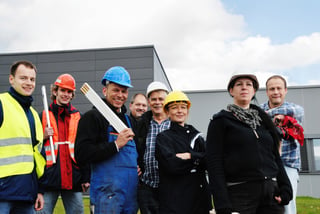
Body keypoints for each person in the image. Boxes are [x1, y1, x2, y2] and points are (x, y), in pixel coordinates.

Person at [206, 73, 292, 214]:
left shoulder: (264, 122)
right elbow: (214, 163)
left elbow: (275, 156)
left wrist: (285, 188)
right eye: (239, 84)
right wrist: (222, 203)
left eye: (249, 85)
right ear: (231, 91)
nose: (244, 87)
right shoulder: (220, 121)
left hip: (271, 194)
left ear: (254, 91)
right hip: (240, 194)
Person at [75, 66, 138, 214]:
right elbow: (82, 154)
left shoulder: (129, 122)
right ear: (105, 91)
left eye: (124, 91)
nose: (120, 95)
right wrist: (115, 145)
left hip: (130, 196)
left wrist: (138, 166)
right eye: (116, 90)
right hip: (106, 197)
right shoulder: (93, 117)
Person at [38, 74, 90, 214]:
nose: (66, 94)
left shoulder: (78, 117)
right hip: (48, 178)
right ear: (55, 91)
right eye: (62, 90)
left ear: (72, 94)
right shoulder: (42, 116)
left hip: (73, 177)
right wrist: (42, 137)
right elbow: (33, 147)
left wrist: (86, 177)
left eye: (69, 91)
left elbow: (83, 148)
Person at [155, 91, 212, 214]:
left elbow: (210, 160)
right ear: (167, 112)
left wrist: (190, 156)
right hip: (175, 203)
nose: (179, 111)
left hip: (200, 201)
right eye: (174, 108)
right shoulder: (163, 138)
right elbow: (172, 166)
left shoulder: (196, 135)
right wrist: (198, 159)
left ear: (187, 111)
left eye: (183, 107)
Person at [0, 60, 46, 213]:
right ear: (11, 79)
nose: (29, 83)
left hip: (27, 194)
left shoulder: (33, 115)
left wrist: (39, 190)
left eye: (32, 79)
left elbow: (38, 156)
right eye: (23, 78)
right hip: (3, 194)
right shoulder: (1, 103)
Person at [260, 75, 304, 214]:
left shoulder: (295, 110)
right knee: (265, 202)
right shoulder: (258, 110)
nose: (275, 92)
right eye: (272, 89)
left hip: (288, 164)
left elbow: (295, 112)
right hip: (266, 164)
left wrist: (265, 116)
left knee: (287, 205)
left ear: (285, 90)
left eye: (279, 88)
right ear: (267, 92)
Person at [134, 81, 170, 214]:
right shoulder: (142, 124)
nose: (157, 102)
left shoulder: (174, 123)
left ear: (167, 101)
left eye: (161, 99)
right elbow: (134, 149)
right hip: (147, 185)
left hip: (169, 186)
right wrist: (135, 165)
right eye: (153, 99)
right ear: (149, 102)